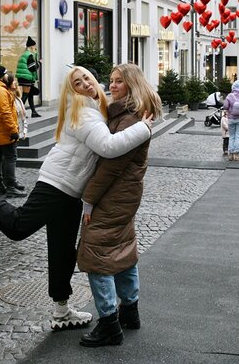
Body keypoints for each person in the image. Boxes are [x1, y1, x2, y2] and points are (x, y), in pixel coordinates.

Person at [0, 66, 153, 331]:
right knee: (18, 226)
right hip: (56, 183)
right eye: (77, 83)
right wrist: (144, 128)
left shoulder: (97, 107)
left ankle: (61, 310)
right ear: (73, 91)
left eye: (86, 78)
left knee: (62, 251)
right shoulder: (83, 112)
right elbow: (108, 147)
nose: (85, 83)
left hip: (72, 190)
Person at [76, 64, 163, 347]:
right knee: (122, 248)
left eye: (118, 82)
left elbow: (110, 167)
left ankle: (109, 323)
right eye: (111, 80)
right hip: (125, 195)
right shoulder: (129, 113)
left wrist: (89, 198)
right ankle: (130, 311)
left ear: (132, 85)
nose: (112, 86)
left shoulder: (130, 118)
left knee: (97, 253)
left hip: (114, 196)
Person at [0, 65, 23, 197]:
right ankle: (10, 187)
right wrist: (13, 130)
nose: (7, 76)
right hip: (4, 132)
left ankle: (1, 187)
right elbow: (5, 113)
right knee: (10, 158)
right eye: (5, 74)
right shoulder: (0, 91)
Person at [222, 81, 239, 161]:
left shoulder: (230, 96)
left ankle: (231, 154)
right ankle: (237, 154)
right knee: (238, 136)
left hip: (231, 119)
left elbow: (225, 106)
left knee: (231, 136)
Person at [16, 36, 41, 117]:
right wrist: (39, 63)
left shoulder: (24, 54)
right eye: (34, 46)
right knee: (25, 95)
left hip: (23, 77)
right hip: (26, 78)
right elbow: (32, 68)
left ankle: (33, 112)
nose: (35, 48)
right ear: (31, 47)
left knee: (30, 95)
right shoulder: (29, 55)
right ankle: (19, 113)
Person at [6, 72, 28, 140]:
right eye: (13, 80)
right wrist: (14, 132)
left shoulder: (18, 98)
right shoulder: (7, 98)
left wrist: (24, 131)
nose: (15, 82)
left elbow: (23, 116)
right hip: (12, 134)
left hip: (19, 133)